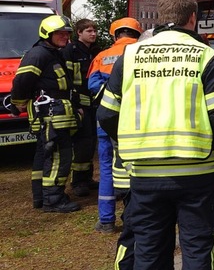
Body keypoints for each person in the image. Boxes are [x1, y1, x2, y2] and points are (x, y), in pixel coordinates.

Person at [97, 0, 214, 269]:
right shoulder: (206, 57)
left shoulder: (130, 57)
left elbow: (106, 113)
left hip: (145, 176)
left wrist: (132, 142)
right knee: (197, 250)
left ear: (160, 17)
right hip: (198, 176)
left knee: (149, 251)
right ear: (192, 18)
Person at [10, 15, 82, 213]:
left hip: (56, 114)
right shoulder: (38, 54)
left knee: (46, 154)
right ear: (47, 34)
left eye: (67, 33)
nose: (65, 37)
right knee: (59, 156)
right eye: (60, 33)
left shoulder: (53, 53)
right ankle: (53, 199)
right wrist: (18, 103)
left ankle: (41, 197)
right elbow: (21, 82)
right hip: (51, 115)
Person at [86, 17, 142, 234]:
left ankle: (106, 221)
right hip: (135, 122)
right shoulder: (143, 54)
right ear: (137, 34)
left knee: (108, 169)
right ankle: (134, 217)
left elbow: (92, 86)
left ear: (115, 35)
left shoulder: (101, 57)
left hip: (106, 120)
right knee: (136, 168)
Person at [62, 18, 99, 197]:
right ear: (79, 33)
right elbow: (67, 80)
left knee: (92, 141)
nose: (93, 34)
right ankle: (78, 182)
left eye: (94, 31)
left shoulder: (96, 51)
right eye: (89, 31)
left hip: (94, 103)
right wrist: (75, 104)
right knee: (82, 142)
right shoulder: (71, 51)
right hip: (80, 104)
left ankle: (88, 178)